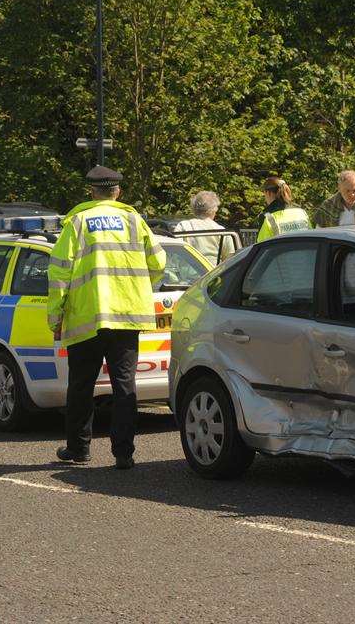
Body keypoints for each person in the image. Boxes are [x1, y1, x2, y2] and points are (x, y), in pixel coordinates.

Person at [47, 165, 166, 468]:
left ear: (92, 191)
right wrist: (138, 287)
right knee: (125, 386)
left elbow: (59, 271)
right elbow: (159, 262)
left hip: (88, 316)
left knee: (81, 386)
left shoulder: (78, 221)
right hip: (127, 316)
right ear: (118, 192)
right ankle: (124, 454)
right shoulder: (133, 220)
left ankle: (79, 450)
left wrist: (56, 316)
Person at [173, 190, 236, 265]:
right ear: (214, 210)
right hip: (213, 273)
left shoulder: (183, 226)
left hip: (186, 274)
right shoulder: (222, 231)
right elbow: (230, 259)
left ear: (193, 208)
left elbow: (175, 253)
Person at [256, 176, 312, 242]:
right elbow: (311, 235)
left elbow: (261, 244)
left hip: (281, 252)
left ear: (268, 193)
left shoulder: (266, 216)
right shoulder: (301, 211)